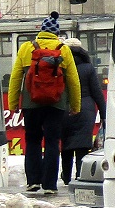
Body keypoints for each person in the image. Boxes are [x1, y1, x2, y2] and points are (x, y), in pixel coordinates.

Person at [8, 12, 81, 195]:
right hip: (56, 103)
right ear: (56, 33)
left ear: (41, 31)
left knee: (32, 140)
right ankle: (49, 184)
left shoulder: (26, 48)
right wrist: (75, 105)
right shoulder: (63, 50)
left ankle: (33, 181)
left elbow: (16, 77)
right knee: (52, 141)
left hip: (31, 103)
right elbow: (73, 80)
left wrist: (13, 103)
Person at [60, 37, 107, 187]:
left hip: (64, 109)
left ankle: (66, 177)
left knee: (66, 146)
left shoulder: (61, 66)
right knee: (81, 146)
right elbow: (97, 93)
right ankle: (80, 175)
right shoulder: (88, 67)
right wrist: (104, 115)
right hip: (86, 109)